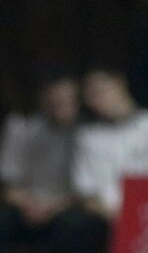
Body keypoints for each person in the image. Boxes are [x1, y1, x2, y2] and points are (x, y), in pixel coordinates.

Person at [0, 72, 107, 253]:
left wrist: (53, 207)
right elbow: (9, 184)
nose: (61, 106)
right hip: (27, 204)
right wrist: (29, 203)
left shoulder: (90, 134)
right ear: (43, 99)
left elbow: (88, 191)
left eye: (67, 100)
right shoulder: (22, 127)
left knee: (77, 225)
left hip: (68, 205)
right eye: (55, 100)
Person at [72, 68, 148, 223]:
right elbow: (86, 191)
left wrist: (142, 214)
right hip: (104, 219)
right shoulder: (87, 137)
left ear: (119, 84)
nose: (96, 100)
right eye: (89, 96)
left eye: (99, 91)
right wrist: (113, 215)